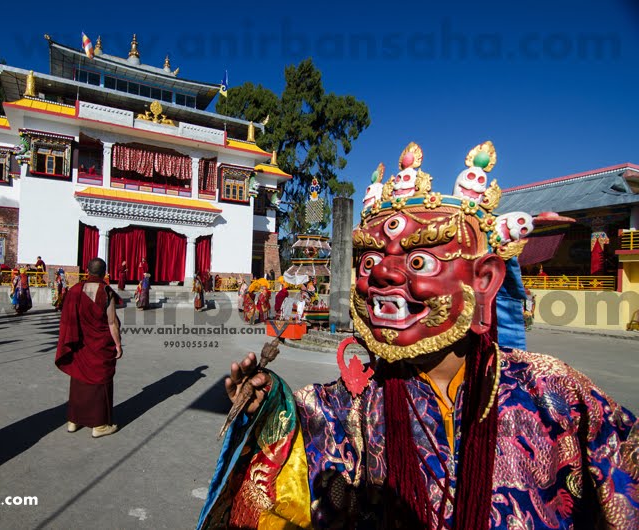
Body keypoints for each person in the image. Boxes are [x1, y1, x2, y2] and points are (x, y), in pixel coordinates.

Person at [198, 142, 639, 529]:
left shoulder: (553, 392)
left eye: (420, 261)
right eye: (368, 262)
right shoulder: (347, 404)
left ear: (483, 280)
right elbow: (294, 469)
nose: (383, 275)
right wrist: (268, 408)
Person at [56, 258, 123, 438]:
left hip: (79, 343)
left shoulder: (75, 290)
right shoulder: (106, 291)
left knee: (79, 380)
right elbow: (111, 322)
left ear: (87, 271)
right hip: (99, 344)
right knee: (100, 381)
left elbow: (67, 318)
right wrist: (117, 344)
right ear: (104, 273)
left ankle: (74, 421)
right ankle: (99, 425)